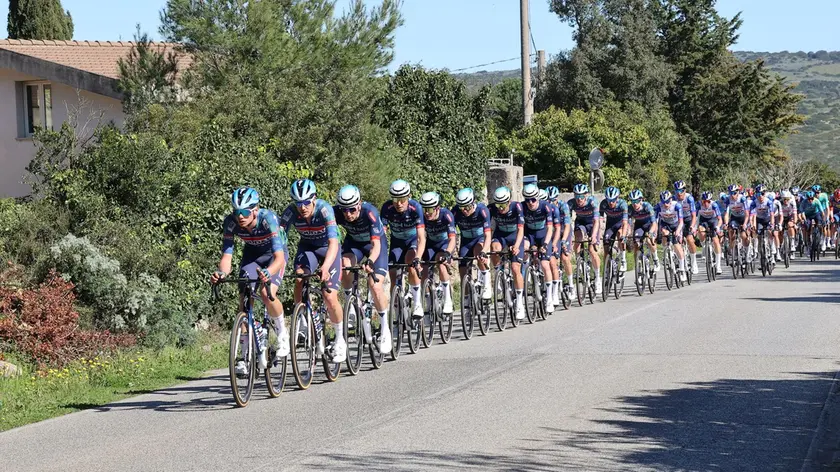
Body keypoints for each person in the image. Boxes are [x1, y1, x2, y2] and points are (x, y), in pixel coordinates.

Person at [212, 187, 289, 376]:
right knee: (244, 302)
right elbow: (227, 257)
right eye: (237, 212)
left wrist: (268, 273)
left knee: (266, 293)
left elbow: (279, 258)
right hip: (252, 256)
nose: (240, 217)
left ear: (255, 210)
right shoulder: (230, 223)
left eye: (245, 212)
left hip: (274, 256)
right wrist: (221, 273)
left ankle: (282, 333)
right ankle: (244, 357)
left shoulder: (268, 218)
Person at [279, 179, 346, 363]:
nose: (302, 207)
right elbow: (279, 238)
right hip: (307, 248)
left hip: (328, 249)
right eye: (298, 203)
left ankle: (340, 339)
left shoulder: (324, 210)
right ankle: (301, 321)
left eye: (306, 202)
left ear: (314, 199)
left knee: (330, 296)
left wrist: (325, 267)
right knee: (299, 278)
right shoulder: (291, 212)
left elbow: (333, 242)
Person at [334, 185, 391, 354]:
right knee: (344, 265)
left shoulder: (370, 212)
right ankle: (350, 303)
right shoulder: (336, 212)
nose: (348, 214)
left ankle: (385, 328)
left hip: (375, 245)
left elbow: (376, 244)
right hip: (354, 244)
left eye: (352, 209)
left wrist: (371, 261)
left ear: (359, 204)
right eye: (344, 210)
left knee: (375, 286)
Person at [381, 179, 426, 319]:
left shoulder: (415, 208)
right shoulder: (387, 208)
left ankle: (417, 303)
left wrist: (418, 258)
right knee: (393, 275)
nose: (398, 203)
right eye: (395, 199)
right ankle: (397, 312)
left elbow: (421, 238)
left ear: (409, 196)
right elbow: (381, 234)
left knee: (411, 263)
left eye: (402, 199)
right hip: (397, 242)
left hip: (413, 241)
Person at [489, 186, 526, 319]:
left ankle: (520, 302)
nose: (500, 208)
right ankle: (499, 273)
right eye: (498, 204)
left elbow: (521, 230)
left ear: (509, 201)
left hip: (515, 236)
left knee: (515, 268)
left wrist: (516, 245)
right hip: (501, 235)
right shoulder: (492, 208)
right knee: (494, 248)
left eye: (503, 204)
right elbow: (487, 229)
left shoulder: (517, 207)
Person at [419, 191, 457, 315]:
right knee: (424, 272)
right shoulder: (422, 217)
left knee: (441, 264)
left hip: (445, 245)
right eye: (424, 209)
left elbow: (452, 239)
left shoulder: (447, 215)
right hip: (430, 244)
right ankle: (429, 305)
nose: (426, 213)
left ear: (437, 208)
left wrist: (447, 253)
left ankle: (447, 300)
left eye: (429, 209)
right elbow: (419, 237)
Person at [452, 188, 492, 300]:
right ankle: (466, 301)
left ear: (473, 203)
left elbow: (488, 235)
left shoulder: (482, 210)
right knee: (463, 270)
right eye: (461, 207)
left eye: (467, 207)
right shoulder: (455, 211)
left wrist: (484, 251)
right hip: (466, 241)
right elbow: (452, 234)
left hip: (480, 239)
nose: (464, 210)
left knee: (479, 253)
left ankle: (487, 285)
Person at [522, 183, 556, 312]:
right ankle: (526, 273)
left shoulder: (545, 207)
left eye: (533, 199)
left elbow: (550, 228)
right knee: (524, 248)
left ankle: (549, 297)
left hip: (543, 235)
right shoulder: (522, 207)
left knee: (545, 264)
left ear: (538, 198)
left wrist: (546, 244)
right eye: (527, 200)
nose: (530, 203)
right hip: (529, 234)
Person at [568, 183, 602, 295]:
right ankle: (580, 263)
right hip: (581, 222)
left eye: (581, 197)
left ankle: (598, 278)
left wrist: (594, 235)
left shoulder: (592, 202)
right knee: (577, 239)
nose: (579, 200)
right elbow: (567, 221)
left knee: (592, 250)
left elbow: (597, 221)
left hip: (592, 224)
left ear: (586, 196)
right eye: (577, 197)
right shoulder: (571, 203)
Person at [547, 186, 572, 306]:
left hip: (564, 230)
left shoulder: (563, 206)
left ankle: (571, 284)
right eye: (549, 200)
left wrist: (563, 240)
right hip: (554, 231)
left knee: (565, 257)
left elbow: (567, 226)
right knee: (553, 259)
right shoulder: (547, 207)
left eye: (553, 200)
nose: (551, 203)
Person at [655, 190, 686, 281]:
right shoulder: (658, 207)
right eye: (663, 202)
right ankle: (667, 253)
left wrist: (678, 231)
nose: (666, 204)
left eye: (667, 202)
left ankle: (682, 269)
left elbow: (681, 222)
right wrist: (656, 233)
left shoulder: (677, 206)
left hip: (677, 225)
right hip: (665, 224)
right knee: (664, 234)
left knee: (677, 245)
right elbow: (656, 222)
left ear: (671, 200)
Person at [599, 186, 629, 272]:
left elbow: (625, 222)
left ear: (617, 198)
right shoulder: (603, 204)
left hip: (621, 225)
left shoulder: (622, 204)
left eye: (613, 200)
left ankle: (623, 260)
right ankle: (607, 269)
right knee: (606, 246)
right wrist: (598, 233)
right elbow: (600, 220)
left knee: (621, 235)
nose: (611, 202)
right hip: (610, 225)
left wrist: (624, 235)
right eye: (608, 200)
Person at [628, 189, 659, 271]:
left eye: (637, 201)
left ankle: (656, 260)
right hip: (639, 226)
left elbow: (654, 223)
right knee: (636, 244)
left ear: (641, 200)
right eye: (632, 201)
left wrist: (650, 233)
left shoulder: (647, 206)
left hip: (651, 225)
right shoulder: (630, 208)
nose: (635, 204)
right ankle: (638, 267)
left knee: (649, 241)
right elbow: (627, 223)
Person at [540, 189, 561, 308]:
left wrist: (554, 243)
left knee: (552, 263)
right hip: (541, 235)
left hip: (553, 236)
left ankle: (554, 293)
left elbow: (557, 229)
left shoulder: (553, 209)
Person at [674, 181, 699, 275]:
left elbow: (694, 216)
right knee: (677, 241)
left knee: (690, 239)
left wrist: (692, 226)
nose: (679, 193)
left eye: (681, 191)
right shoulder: (673, 199)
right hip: (677, 220)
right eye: (677, 191)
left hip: (688, 219)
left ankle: (693, 262)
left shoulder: (689, 199)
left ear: (685, 190)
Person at [696, 191, 724, 274]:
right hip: (703, 221)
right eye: (704, 201)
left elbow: (720, 219)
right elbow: (695, 217)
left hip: (713, 221)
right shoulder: (698, 205)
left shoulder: (714, 205)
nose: (706, 203)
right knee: (700, 230)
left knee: (716, 241)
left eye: (708, 201)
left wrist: (718, 227)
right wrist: (695, 227)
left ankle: (718, 266)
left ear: (710, 201)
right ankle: (704, 245)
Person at [723, 184, 752, 263]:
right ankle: (734, 253)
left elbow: (747, 214)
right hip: (734, 218)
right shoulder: (727, 199)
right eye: (730, 193)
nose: (732, 195)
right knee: (731, 233)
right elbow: (726, 214)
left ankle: (747, 252)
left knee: (743, 236)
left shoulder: (742, 198)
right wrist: (725, 224)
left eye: (734, 193)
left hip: (744, 218)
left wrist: (745, 224)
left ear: (738, 192)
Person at [750, 184, 776, 263]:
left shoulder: (769, 202)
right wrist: (752, 224)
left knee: (769, 232)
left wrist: (772, 224)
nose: (760, 196)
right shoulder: (754, 202)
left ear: (765, 194)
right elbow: (751, 215)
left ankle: (772, 248)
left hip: (768, 219)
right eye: (758, 194)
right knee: (758, 234)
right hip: (759, 220)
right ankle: (760, 252)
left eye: (762, 194)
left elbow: (772, 214)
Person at [779, 190, 798, 260]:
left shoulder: (792, 203)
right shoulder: (779, 203)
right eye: (784, 199)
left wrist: (794, 223)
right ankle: (780, 246)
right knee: (779, 231)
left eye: (787, 199)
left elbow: (795, 215)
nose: (786, 201)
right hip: (782, 217)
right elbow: (777, 216)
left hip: (790, 217)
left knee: (790, 225)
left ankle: (792, 244)